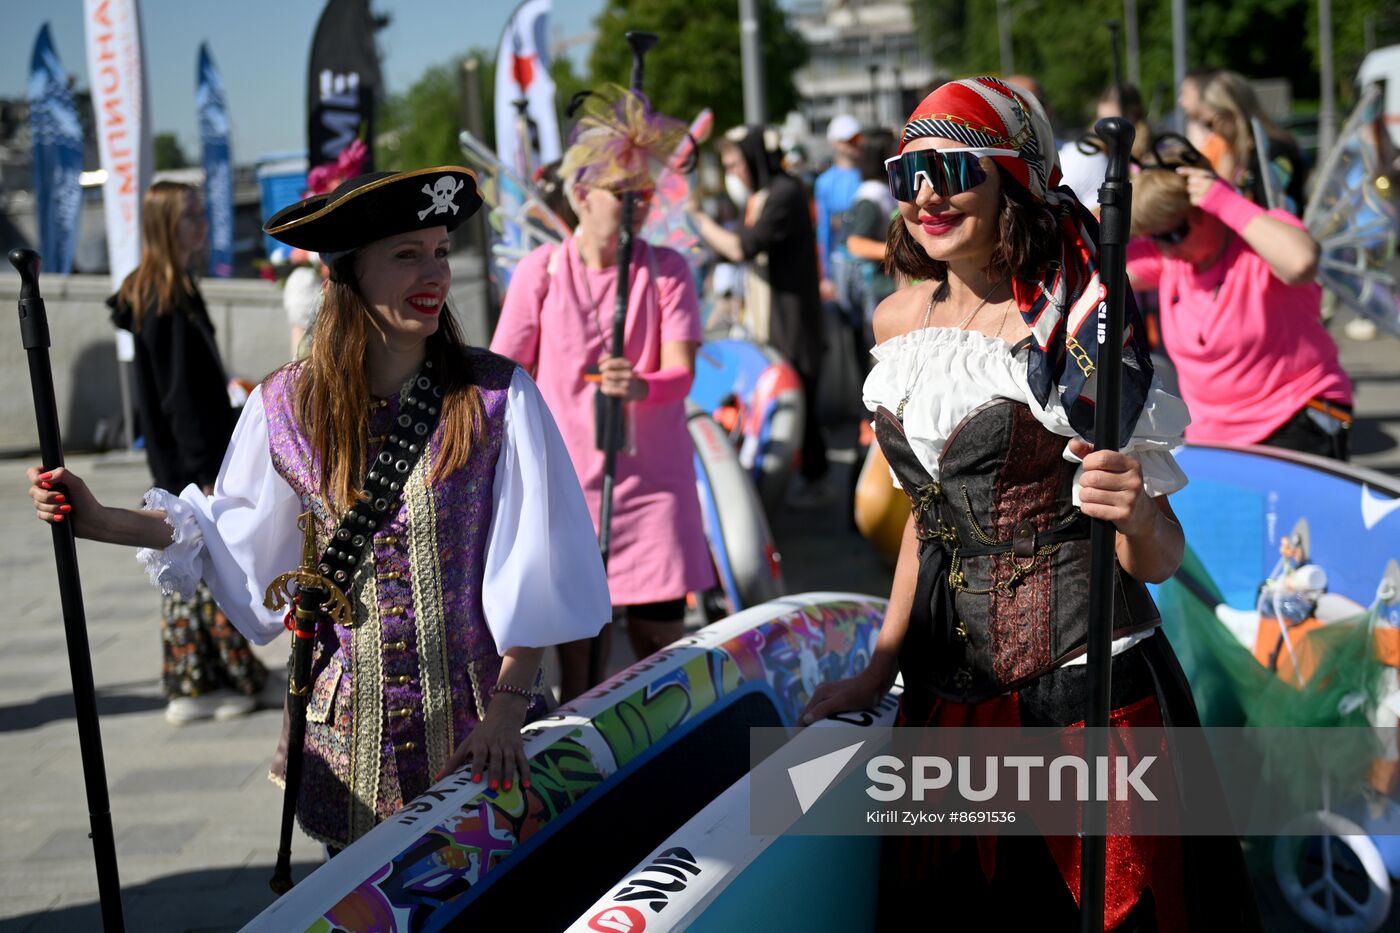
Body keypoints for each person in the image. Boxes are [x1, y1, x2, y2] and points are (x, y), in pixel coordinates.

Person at [30, 165, 611, 850]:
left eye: (441, 251)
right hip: (350, 752)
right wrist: (98, 519)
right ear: (346, 275)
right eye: (406, 255)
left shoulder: (495, 397)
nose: (434, 275)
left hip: (479, 738)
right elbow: (228, 530)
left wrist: (508, 712)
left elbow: (538, 570)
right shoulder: (285, 406)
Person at [798, 76, 1260, 929]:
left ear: (1013, 180)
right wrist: (880, 665)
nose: (927, 194)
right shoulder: (897, 322)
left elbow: (1155, 561)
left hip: (1089, 698)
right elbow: (923, 528)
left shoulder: (1075, 328)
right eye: (910, 174)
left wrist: (1136, 509)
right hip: (945, 701)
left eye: (952, 168)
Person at [490, 87, 715, 701]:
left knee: (663, 643)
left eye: (644, 195)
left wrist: (642, 382)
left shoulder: (667, 269)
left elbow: (681, 372)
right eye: (624, 195)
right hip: (570, 485)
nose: (638, 207)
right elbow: (504, 374)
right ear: (581, 194)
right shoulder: (541, 271)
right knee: (579, 654)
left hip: (654, 485)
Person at [107, 181, 268, 725]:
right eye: (190, 216)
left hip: (185, 458)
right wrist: (205, 473)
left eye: (201, 213)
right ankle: (199, 684)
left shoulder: (168, 290)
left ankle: (220, 677)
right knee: (192, 570)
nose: (201, 224)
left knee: (196, 570)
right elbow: (179, 399)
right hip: (186, 464)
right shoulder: (164, 298)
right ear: (163, 226)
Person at [1129, 164, 1351, 459]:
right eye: (1155, 237)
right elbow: (1095, 262)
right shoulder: (1171, 261)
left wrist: (1225, 200)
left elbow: (1301, 263)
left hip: (1295, 418)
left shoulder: (1256, 245)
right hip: (1214, 440)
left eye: (1176, 232)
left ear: (1208, 210)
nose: (1166, 247)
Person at [689, 126, 831, 507]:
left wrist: (698, 220)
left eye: (735, 163)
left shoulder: (784, 194)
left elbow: (741, 249)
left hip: (790, 318)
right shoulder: (763, 195)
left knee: (797, 391)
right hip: (767, 315)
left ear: (753, 158)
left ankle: (814, 481)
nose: (732, 171)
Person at [1197, 70, 1308, 213]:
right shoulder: (1248, 152)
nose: (1211, 134)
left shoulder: (1273, 151)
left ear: (1232, 113)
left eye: (1209, 123)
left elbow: (1277, 211)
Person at [814, 113, 864, 289]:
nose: (855, 143)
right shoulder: (824, 182)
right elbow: (824, 229)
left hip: (870, 261)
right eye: (848, 139)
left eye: (857, 138)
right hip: (841, 261)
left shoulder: (870, 173)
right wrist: (826, 276)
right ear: (835, 143)